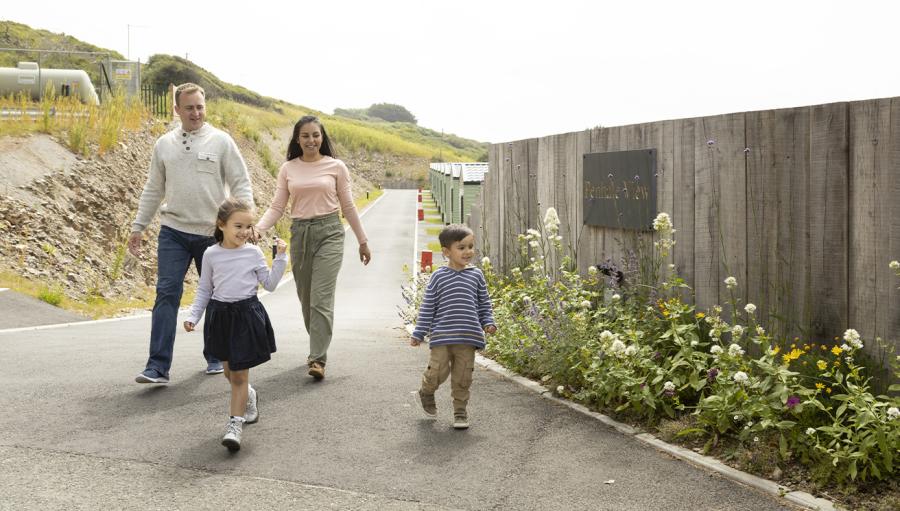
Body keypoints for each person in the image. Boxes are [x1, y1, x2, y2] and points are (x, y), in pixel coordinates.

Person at [129, 82, 253, 384]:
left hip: (213, 233)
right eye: (189, 107)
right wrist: (138, 227)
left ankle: (214, 355)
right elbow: (153, 189)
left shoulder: (221, 141)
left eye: (200, 107)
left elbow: (240, 182)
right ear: (177, 110)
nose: (196, 113)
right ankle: (157, 367)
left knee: (216, 296)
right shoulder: (164, 145)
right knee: (166, 294)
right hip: (173, 231)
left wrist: (247, 224)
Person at [255, 115, 371, 381]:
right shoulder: (288, 168)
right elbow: (277, 206)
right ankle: (318, 343)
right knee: (306, 298)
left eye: (316, 135)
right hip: (300, 234)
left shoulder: (336, 167)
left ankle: (318, 357)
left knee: (320, 297)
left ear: (322, 138)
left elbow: (349, 206)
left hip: (330, 232)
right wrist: (259, 229)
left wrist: (362, 240)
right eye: (305, 136)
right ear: (298, 139)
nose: (311, 140)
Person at [183, 197, 287, 451]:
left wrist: (281, 258)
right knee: (230, 373)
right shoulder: (210, 254)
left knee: (239, 375)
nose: (244, 232)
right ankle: (249, 396)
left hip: (246, 316)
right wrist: (193, 316)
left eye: (248, 227)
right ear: (221, 225)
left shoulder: (253, 253)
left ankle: (234, 425)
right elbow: (205, 289)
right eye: (238, 226)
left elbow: (270, 285)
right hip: (220, 317)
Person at [410, 224, 497, 429]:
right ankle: (426, 392)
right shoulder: (438, 277)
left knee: (463, 376)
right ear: (447, 252)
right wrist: (419, 332)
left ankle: (460, 412)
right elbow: (428, 307)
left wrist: (488, 322)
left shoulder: (476, 275)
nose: (468, 252)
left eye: (470, 246)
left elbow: (484, 303)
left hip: (468, 337)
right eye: (461, 247)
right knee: (437, 372)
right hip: (442, 336)